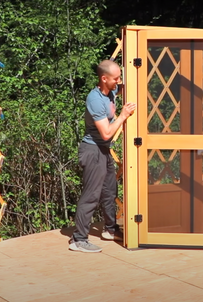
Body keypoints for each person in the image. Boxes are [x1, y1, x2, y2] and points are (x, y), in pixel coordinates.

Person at [69, 59, 136, 253]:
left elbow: (126, 85)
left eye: (119, 77)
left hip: (103, 150)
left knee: (109, 191)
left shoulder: (111, 91)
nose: (119, 81)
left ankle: (110, 229)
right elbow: (106, 133)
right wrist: (123, 115)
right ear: (104, 78)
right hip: (92, 150)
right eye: (115, 78)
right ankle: (79, 239)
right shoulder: (95, 99)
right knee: (92, 195)